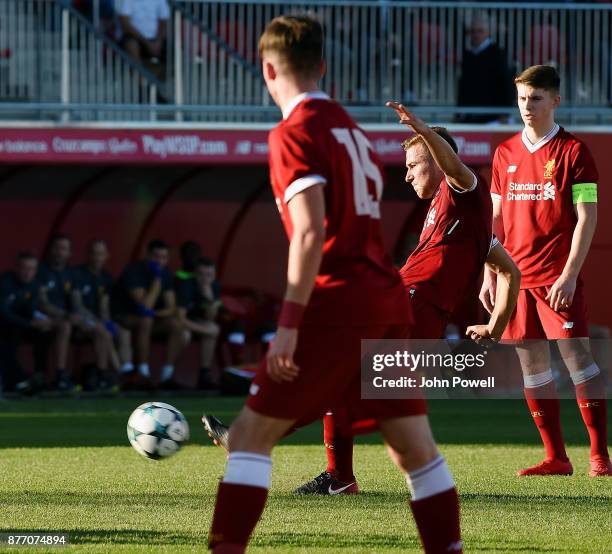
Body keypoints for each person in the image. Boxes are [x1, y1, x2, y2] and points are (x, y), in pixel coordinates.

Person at [206, 16, 463, 554]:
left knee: (249, 437)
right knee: (413, 447)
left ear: (267, 69)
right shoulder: (351, 129)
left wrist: (289, 325)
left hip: (339, 299)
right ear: (322, 67)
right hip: (386, 298)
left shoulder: (294, 133)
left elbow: (310, 232)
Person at [482, 64, 611, 477]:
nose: (527, 107)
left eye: (535, 99)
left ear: (555, 100)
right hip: (514, 280)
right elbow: (496, 220)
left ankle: (599, 456)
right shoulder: (504, 153)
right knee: (532, 367)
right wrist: (489, 273)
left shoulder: (575, 152)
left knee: (579, 362)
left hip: (557, 279)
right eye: (521, 98)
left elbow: (587, 216)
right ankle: (556, 457)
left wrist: (570, 274)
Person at [113, 239, 187, 386]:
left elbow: (171, 307)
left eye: (164, 257)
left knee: (176, 325)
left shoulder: (166, 274)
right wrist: (157, 280)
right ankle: (143, 373)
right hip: (125, 318)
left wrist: (156, 314)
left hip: (152, 319)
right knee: (146, 321)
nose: (160, 261)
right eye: (156, 256)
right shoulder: (134, 271)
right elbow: (145, 306)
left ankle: (167, 376)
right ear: (147, 256)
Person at [0, 252, 69, 393]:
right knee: (7, 339)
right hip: (6, 326)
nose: (27, 272)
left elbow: (30, 310)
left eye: (31, 269)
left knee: (45, 332)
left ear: (35, 271)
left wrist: (42, 321)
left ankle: (42, 376)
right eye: (24, 268)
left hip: (19, 326)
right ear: (17, 268)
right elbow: (4, 313)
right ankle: (17, 380)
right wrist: (29, 323)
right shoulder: (5, 283)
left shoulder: (34, 286)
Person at [72, 239, 127, 392]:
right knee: (103, 333)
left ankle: (127, 370)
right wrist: (99, 322)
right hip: (79, 320)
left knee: (121, 331)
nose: (97, 257)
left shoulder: (106, 278)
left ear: (106, 256)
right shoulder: (77, 274)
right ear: (88, 255)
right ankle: (110, 373)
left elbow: (104, 306)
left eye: (101, 254)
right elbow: (77, 306)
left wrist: (107, 321)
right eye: (94, 253)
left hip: (97, 322)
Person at [37, 234, 79, 391]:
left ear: (69, 252)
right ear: (51, 250)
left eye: (64, 249)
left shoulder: (70, 273)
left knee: (101, 330)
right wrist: (66, 315)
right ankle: (60, 374)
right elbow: (42, 303)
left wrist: (85, 317)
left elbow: (77, 302)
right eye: (57, 248)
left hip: (66, 317)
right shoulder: (41, 270)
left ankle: (105, 375)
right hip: (44, 317)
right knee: (65, 326)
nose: (60, 252)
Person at [456, 12, 514, 124]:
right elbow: (463, 86)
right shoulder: (467, 56)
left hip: (494, 117)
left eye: (480, 31)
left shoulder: (498, 54)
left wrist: (505, 112)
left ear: (488, 32)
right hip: (471, 116)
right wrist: (458, 113)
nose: (476, 34)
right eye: (473, 31)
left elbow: (506, 83)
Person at [175, 256, 221, 390]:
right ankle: (168, 374)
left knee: (211, 329)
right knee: (186, 334)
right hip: (176, 323)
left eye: (209, 275)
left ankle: (204, 374)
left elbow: (210, 318)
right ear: (195, 274)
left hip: (196, 322)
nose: (205, 278)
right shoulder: (186, 286)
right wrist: (208, 330)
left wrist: (209, 298)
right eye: (201, 274)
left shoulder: (214, 286)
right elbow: (179, 318)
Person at [118, 0, 168, 66]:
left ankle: (160, 74)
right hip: (134, 37)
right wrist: (147, 43)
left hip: (155, 39)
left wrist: (158, 41)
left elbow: (164, 21)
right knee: (131, 45)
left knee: (172, 49)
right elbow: (125, 24)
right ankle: (139, 74)